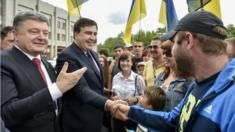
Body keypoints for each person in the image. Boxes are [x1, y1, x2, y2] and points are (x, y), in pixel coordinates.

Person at [112, 11, 235, 132]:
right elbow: (172, 120)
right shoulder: (197, 85)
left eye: (174, 43)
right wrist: (130, 111)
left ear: (188, 41)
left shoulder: (231, 99)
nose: (170, 54)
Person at [1, 12, 87, 132]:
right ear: (16, 35)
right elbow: (8, 113)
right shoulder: (3, 62)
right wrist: (57, 88)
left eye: (46, 33)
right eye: (34, 31)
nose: (42, 37)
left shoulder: (45, 63)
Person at [56, 17, 125, 132]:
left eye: (95, 34)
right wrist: (108, 103)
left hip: (95, 119)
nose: (93, 38)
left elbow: (95, 85)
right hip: (78, 123)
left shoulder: (92, 53)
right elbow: (81, 90)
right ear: (76, 34)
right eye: (88, 33)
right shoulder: (67, 56)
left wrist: (109, 95)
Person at [111, 51, 146, 132]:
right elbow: (113, 94)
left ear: (132, 63)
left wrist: (135, 99)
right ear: (119, 62)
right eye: (122, 61)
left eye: (127, 61)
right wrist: (114, 97)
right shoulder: (115, 77)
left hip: (132, 116)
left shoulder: (138, 78)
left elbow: (144, 98)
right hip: (117, 115)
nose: (125, 63)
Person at [154, 40, 193, 112]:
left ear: (179, 54)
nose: (164, 56)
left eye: (168, 53)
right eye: (163, 53)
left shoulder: (188, 80)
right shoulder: (160, 77)